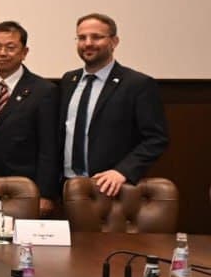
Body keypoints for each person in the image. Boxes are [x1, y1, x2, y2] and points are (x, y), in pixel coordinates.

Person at [59, 13, 169, 197]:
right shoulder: (69, 80)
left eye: (97, 37)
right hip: (66, 186)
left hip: (111, 188)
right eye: (82, 37)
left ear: (114, 42)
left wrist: (123, 171)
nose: (88, 43)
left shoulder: (137, 84)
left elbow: (156, 138)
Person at [0, 21, 59, 214]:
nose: (2, 53)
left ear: (24, 52)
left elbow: (48, 148)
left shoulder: (43, 90)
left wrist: (45, 193)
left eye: (10, 47)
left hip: (21, 186)